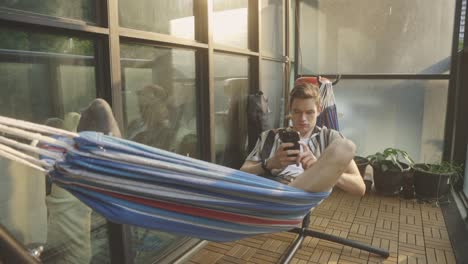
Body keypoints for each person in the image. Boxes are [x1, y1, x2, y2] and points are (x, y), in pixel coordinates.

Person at [240, 83, 365, 195]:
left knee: (346, 146)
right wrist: (269, 164)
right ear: (290, 110)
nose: (303, 119)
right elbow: (242, 173)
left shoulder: (331, 138)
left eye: (309, 112)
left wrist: (322, 170)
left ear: (319, 110)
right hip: (271, 191)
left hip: (302, 197)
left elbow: (359, 187)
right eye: (297, 112)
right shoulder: (269, 136)